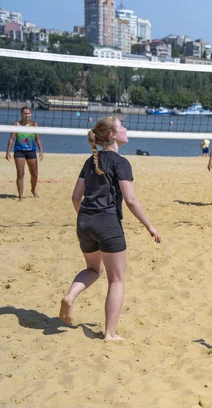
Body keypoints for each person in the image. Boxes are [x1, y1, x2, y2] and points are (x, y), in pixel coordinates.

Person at [60, 117, 160, 340]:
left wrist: (86, 218)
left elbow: (76, 197)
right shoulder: (120, 162)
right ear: (113, 135)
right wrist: (149, 225)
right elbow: (131, 200)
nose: (126, 128)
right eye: (121, 125)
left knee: (94, 270)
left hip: (84, 221)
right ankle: (110, 333)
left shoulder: (90, 161)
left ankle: (70, 296)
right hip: (107, 223)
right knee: (116, 280)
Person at [5, 107, 43, 201]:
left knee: (34, 173)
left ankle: (33, 190)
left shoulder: (34, 125)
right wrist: (8, 151)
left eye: (28, 113)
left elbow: (37, 139)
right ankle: (20, 196)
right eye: (25, 113)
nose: (27, 115)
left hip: (31, 151)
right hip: (19, 151)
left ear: (31, 114)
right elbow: (11, 139)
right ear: (21, 114)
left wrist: (41, 151)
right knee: (20, 173)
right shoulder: (16, 124)